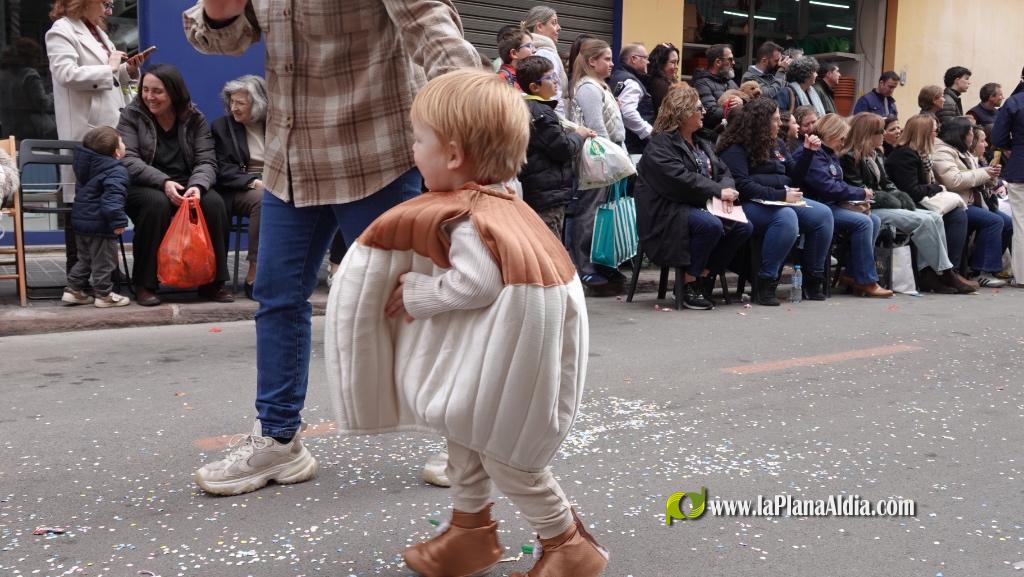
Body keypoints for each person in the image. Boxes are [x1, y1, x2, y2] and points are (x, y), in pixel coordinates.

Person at [184, 0, 482, 496]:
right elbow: (221, 39)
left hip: (374, 152)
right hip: (291, 162)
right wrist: (219, 10)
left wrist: (476, 124)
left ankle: (467, 439)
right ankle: (279, 441)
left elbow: (431, 27)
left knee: (413, 298)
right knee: (277, 297)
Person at [325, 68, 608, 577]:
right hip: (499, 368)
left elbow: (476, 284)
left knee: (508, 459)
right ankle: (469, 531)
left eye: (418, 140)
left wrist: (418, 294)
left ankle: (567, 542)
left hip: (508, 374)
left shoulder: (470, 219)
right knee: (465, 441)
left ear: (453, 156)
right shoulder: (506, 204)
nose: (413, 150)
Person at [117, 64, 232, 306]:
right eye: (145, 90)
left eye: (157, 91)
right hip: (144, 184)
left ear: (174, 93)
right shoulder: (132, 115)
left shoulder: (195, 119)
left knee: (213, 204)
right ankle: (145, 284)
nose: (149, 96)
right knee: (155, 204)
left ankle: (213, 282)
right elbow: (128, 160)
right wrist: (163, 182)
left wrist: (198, 187)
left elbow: (207, 160)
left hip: (186, 183)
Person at [634, 86, 753, 309]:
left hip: (697, 204)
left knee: (742, 226)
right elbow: (679, 179)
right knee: (710, 225)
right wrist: (718, 191)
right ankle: (688, 284)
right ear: (683, 113)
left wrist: (726, 191)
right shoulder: (660, 145)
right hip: (666, 211)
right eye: (699, 108)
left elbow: (724, 172)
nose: (705, 112)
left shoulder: (701, 142)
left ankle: (703, 277)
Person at [718, 97, 834, 305]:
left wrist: (808, 153)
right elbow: (742, 185)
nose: (780, 124)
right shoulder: (736, 148)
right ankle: (766, 281)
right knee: (786, 217)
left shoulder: (778, 144)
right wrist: (780, 194)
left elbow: (795, 177)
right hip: (748, 204)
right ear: (761, 122)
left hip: (779, 200)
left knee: (823, 214)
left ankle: (812, 279)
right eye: (775, 120)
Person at [840, 113, 960, 294]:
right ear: (868, 133)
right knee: (924, 221)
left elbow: (887, 183)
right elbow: (859, 188)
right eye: (880, 131)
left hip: (882, 204)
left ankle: (931, 272)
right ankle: (944, 272)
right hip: (866, 208)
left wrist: (896, 195)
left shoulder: (874, 154)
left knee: (935, 217)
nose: (883, 135)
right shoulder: (850, 157)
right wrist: (893, 198)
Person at [47, 0, 149, 203]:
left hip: (112, 125)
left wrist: (127, 70)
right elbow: (65, 74)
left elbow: (111, 77)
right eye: (106, 3)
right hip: (88, 128)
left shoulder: (99, 33)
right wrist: (110, 67)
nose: (109, 11)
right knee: (90, 200)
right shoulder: (61, 30)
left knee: (114, 195)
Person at [795, 113, 893, 297]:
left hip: (831, 203)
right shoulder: (814, 153)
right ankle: (867, 280)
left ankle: (853, 274)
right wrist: (860, 192)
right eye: (842, 138)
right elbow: (826, 187)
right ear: (831, 134)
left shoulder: (829, 154)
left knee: (875, 220)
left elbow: (836, 185)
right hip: (817, 204)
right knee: (863, 222)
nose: (844, 142)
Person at [884, 114, 976, 292]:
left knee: (955, 215)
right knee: (951, 217)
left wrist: (934, 188)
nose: (937, 135)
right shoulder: (904, 156)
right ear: (923, 133)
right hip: (908, 202)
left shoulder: (920, 154)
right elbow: (912, 192)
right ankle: (943, 272)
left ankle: (944, 272)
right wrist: (937, 188)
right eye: (934, 131)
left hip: (918, 200)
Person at [566, 38, 626, 289]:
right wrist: (613, 159)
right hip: (598, 160)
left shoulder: (598, 85)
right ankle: (585, 268)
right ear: (592, 61)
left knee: (601, 212)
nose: (612, 64)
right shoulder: (589, 87)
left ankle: (600, 264)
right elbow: (597, 128)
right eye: (607, 59)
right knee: (589, 213)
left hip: (606, 158)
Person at [517, 55, 593, 238]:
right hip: (546, 193)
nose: (556, 81)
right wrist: (579, 135)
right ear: (534, 87)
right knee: (549, 244)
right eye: (550, 78)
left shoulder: (530, 108)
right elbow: (563, 149)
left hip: (540, 190)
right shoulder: (541, 113)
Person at [931, 117, 1011, 287]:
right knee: (994, 221)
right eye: (970, 134)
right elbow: (953, 180)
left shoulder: (963, 151)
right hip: (958, 203)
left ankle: (982, 266)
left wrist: (990, 176)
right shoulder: (942, 152)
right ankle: (982, 271)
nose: (972, 138)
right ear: (960, 134)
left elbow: (976, 177)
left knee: (1008, 223)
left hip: (973, 200)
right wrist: (984, 173)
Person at [210, 75, 268, 300]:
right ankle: (255, 272)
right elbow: (222, 170)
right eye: (232, 102)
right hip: (239, 188)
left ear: (258, 103)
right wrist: (254, 182)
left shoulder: (275, 123)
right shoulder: (222, 127)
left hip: (276, 183)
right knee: (264, 200)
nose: (234, 108)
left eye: (240, 103)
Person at [62, 125, 131, 307]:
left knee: (85, 259)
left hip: (81, 223)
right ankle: (104, 295)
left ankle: (73, 290)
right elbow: (112, 199)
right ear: (116, 152)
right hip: (101, 225)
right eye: (121, 141)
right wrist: (118, 221)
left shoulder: (85, 166)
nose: (124, 144)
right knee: (105, 262)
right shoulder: (116, 171)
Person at [992, 74, 1024, 285]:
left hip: (1020, 165)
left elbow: (998, 137)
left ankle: (1022, 275)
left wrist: (1011, 149)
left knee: (1021, 222)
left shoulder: (1014, 102)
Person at [0, 38, 57, 141]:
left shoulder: (3, 75)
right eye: (36, 57)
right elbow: (42, 103)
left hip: (9, 127)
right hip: (32, 129)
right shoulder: (29, 74)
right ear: (29, 57)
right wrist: (55, 96)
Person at [610, 42, 654, 156]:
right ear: (634, 59)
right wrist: (649, 132)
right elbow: (628, 113)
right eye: (645, 58)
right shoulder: (631, 83)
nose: (648, 62)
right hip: (633, 148)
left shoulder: (617, 77)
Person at [523, 6, 565, 115]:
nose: (559, 27)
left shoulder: (528, 50)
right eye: (554, 23)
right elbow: (553, 96)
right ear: (540, 26)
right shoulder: (545, 54)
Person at [692, 43, 739, 134]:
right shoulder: (702, 83)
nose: (733, 63)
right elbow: (710, 114)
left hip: (730, 136)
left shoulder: (731, 82)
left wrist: (742, 102)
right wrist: (738, 110)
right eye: (730, 59)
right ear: (718, 62)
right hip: (711, 138)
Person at [646, 42, 680, 116]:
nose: (676, 66)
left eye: (677, 62)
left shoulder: (667, 81)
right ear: (661, 63)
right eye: (673, 62)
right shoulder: (659, 85)